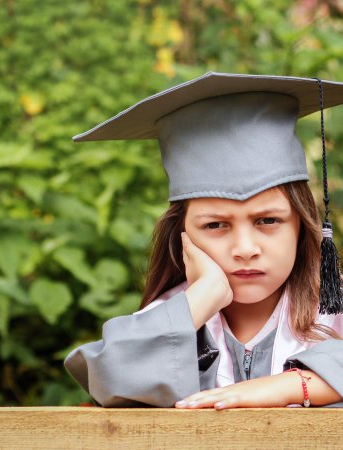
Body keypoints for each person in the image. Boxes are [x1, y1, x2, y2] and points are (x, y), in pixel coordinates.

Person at [64, 72, 343, 409]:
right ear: (182, 234)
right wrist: (202, 297)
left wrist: (289, 385)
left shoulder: (332, 311)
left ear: (301, 223)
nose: (244, 249)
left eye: (268, 221)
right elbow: (109, 378)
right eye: (215, 225)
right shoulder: (173, 320)